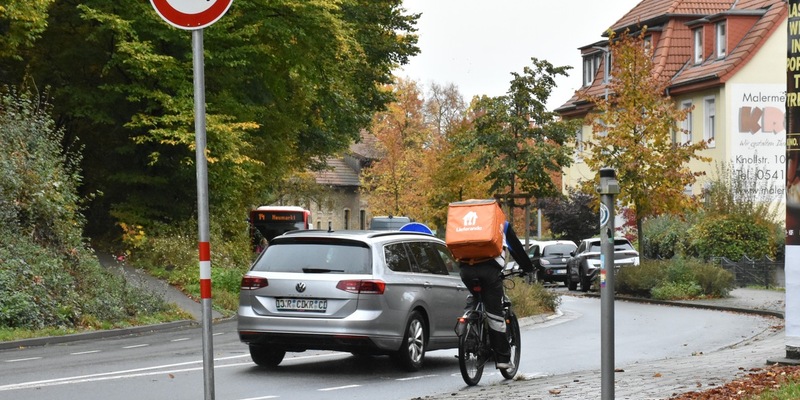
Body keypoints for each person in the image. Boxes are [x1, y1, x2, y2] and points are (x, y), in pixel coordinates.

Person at [458, 220, 534, 370]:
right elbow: (516, 248)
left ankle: (469, 330)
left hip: (466, 270)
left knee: (476, 298)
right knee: (494, 313)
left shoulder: (465, 222)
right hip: (490, 272)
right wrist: (528, 268)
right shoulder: (502, 224)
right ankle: (503, 359)